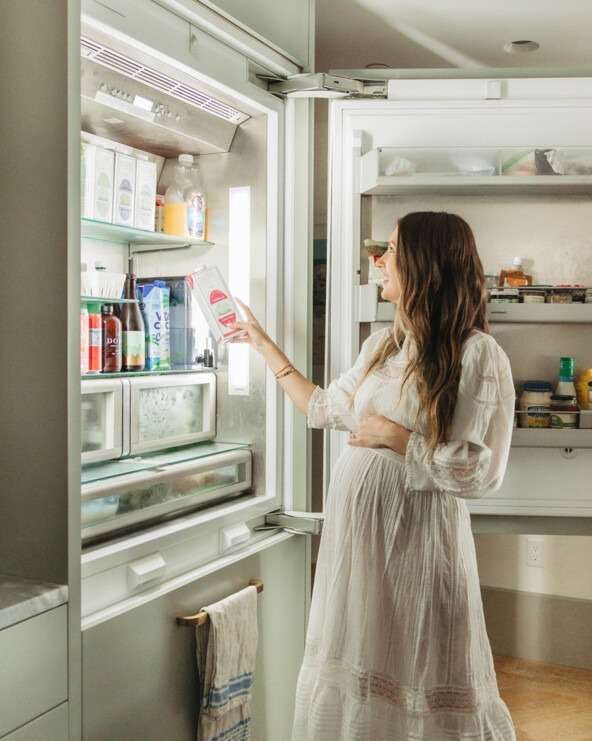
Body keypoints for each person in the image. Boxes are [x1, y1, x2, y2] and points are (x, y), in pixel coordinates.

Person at [231, 211, 516, 741]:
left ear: (425, 265)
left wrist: (394, 436)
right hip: (358, 551)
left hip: (419, 545)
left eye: (390, 250)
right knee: (362, 662)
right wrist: (262, 343)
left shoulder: (477, 354)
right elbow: (321, 409)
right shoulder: (382, 346)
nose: (377, 261)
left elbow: (480, 471)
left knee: (419, 665)